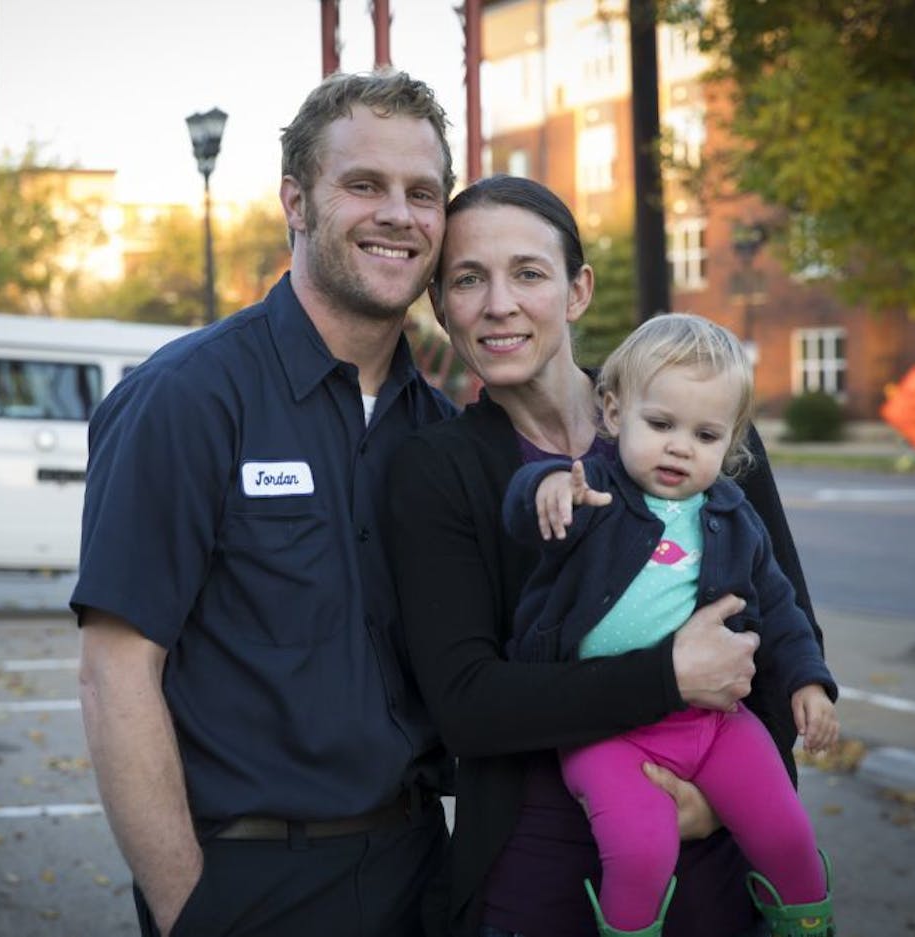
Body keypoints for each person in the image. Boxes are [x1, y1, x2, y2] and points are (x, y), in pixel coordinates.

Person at [384, 175, 826, 937]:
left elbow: (781, 640)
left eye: (528, 272)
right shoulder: (438, 470)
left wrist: (721, 799)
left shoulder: (702, 430)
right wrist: (668, 677)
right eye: (467, 279)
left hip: (715, 881)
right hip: (537, 885)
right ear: (440, 307)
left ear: (577, 289)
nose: (498, 304)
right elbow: (469, 705)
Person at [73, 70, 458, 937]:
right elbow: (116, 672)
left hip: (419, 873)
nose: (398, 214)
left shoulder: (438, 432)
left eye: (422, 193)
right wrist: (189, 908)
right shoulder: (188, 398)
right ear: (297, 200)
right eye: (364, 185)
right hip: (249, 884)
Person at [503, 313, 839, 936]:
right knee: (641, 851)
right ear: (613, 413)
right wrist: (545, 487)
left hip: (713, 725)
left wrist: (808, 684)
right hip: (605, 730)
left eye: (706, 435)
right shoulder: (594, 495)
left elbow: (783, 611)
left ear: (731, 444)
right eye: (661, 425)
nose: (680, 446)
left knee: (788, 834)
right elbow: (525, 515)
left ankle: (808, 926)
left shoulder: (736, 520)